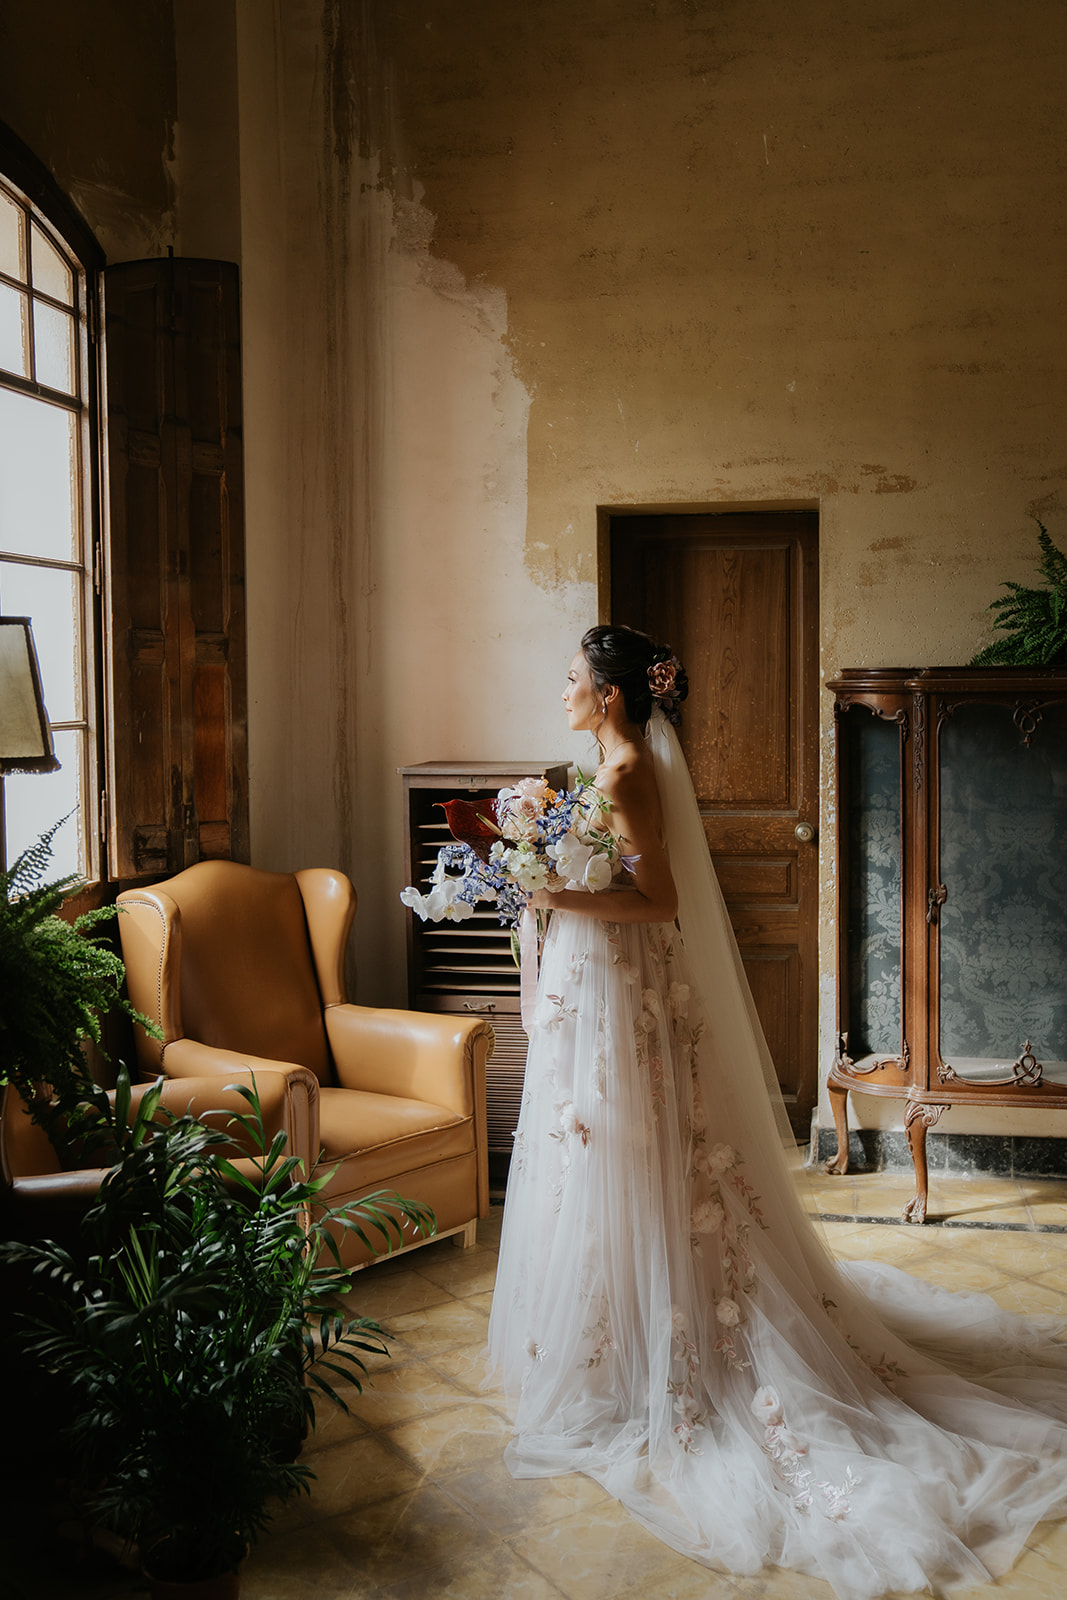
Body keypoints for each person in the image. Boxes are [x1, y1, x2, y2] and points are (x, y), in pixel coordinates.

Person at [487, 623, 1067, 1600]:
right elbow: (613, 875)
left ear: (614, 697)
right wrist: (549, 867)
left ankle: (670, 1355)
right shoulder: (607, 762)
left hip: (625, 993)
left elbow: (655, 899)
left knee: (648, 1157)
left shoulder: (627, 768)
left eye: (573, 680)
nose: (563, 692)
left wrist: (547, 888)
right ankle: (618, 1345)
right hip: (603, 993)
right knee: (610, 1160)